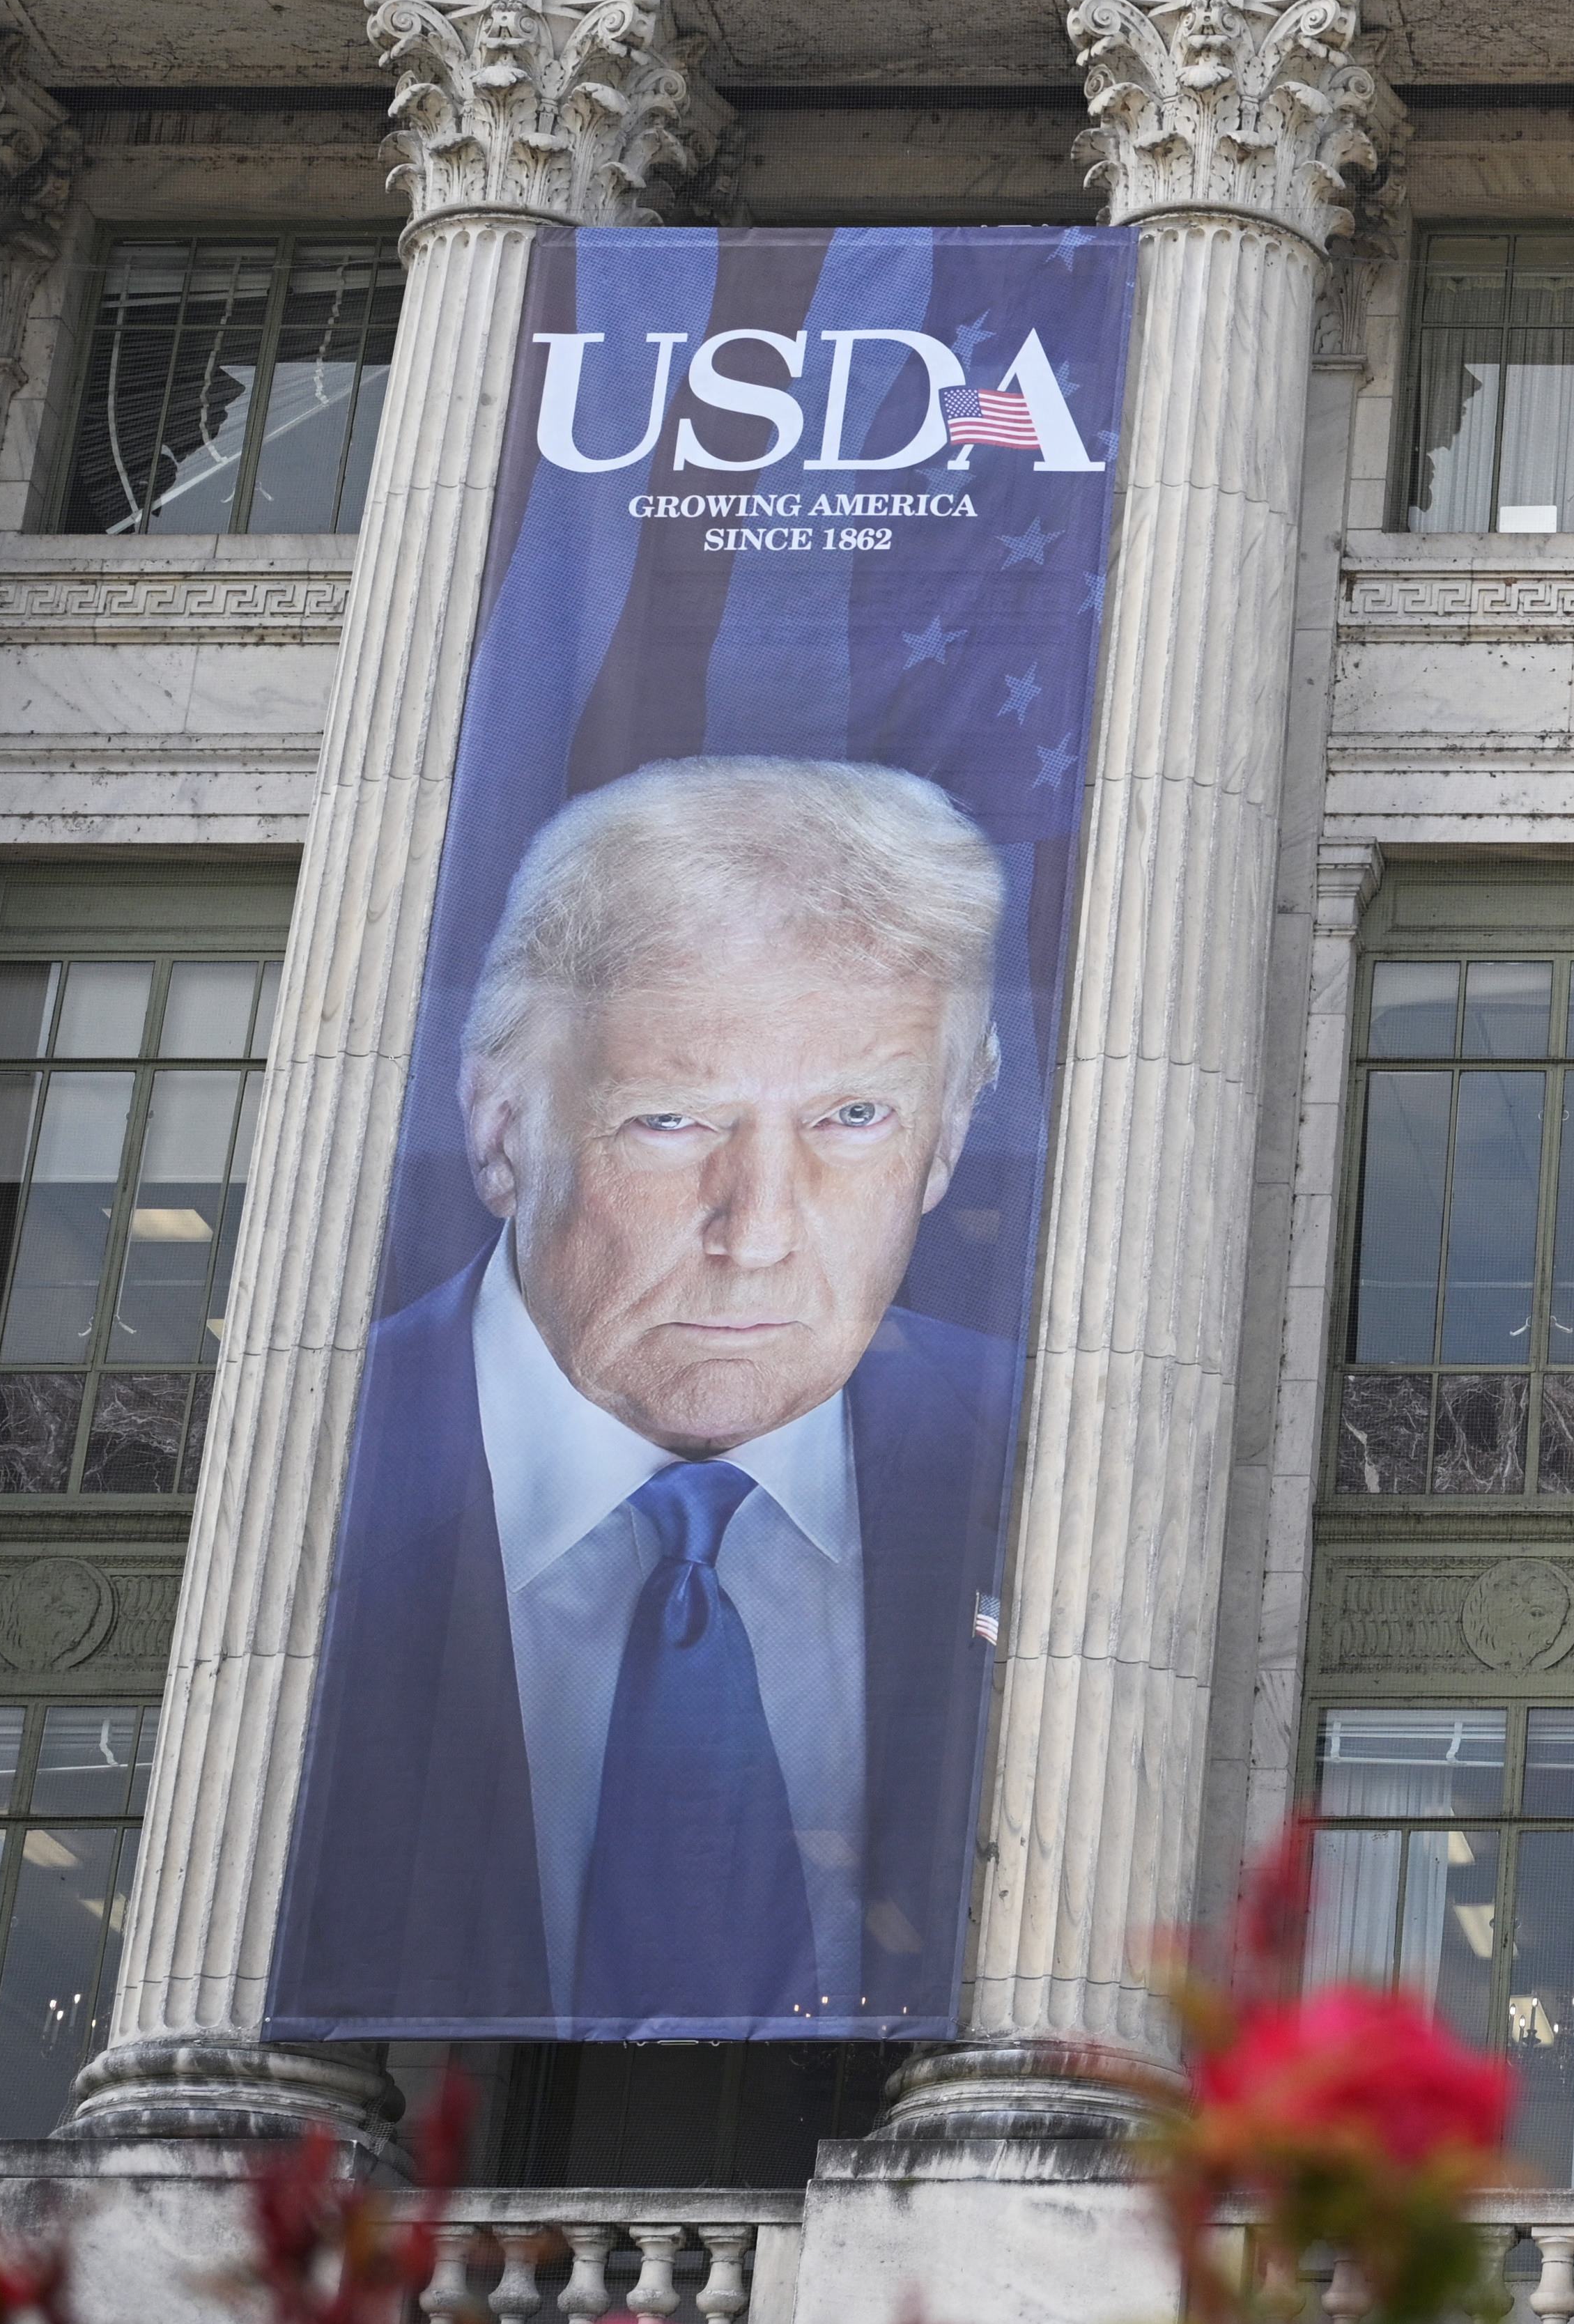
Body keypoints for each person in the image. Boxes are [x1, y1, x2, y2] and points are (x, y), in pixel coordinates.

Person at [270, 755, 1025, 2041]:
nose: (762, 1230)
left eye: (854, 1115)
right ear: (501, 1130)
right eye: (671, 1120)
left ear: (947, 1138)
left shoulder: (1038, 1449)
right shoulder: (313, 1435)